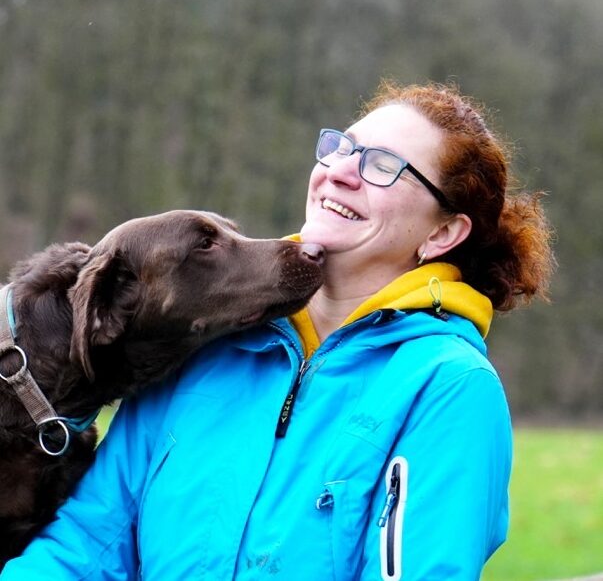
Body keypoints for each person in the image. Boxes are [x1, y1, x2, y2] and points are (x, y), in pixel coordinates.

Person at [1, 81, 555, 580]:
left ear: (442, 233)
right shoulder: (204, 347)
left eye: (382, 165)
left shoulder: (448, 389)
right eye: (343, 147)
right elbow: (83, 551)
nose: (341, 169)